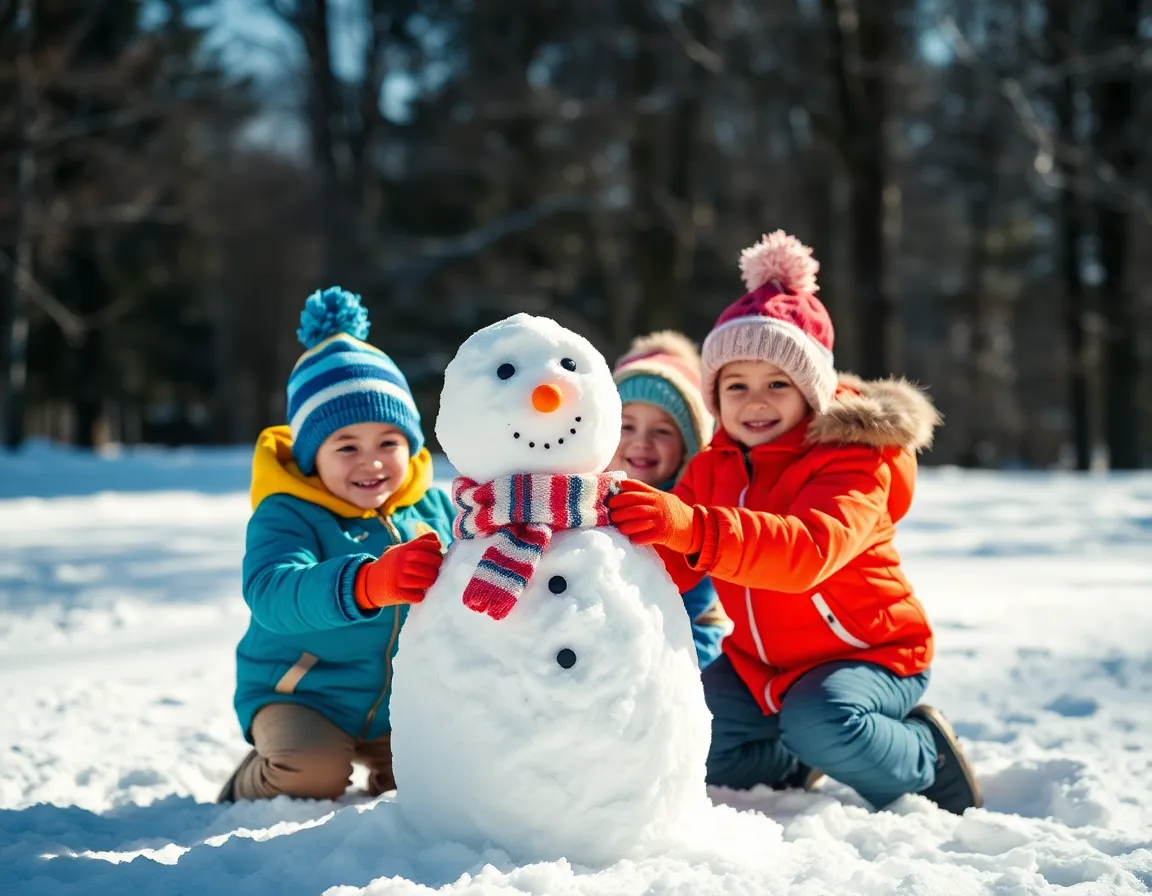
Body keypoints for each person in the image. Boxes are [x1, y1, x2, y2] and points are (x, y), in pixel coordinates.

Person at [607, 231, 981, 814]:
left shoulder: (856, 459)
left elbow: (808, 553)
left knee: (825, 721)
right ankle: (798, 758)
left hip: (870, 653)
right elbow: (669, 567)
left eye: (777, 384)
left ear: (811, 391)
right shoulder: (713, 466)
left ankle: (925, 758)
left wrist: (692, 526)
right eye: (737, 386)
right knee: (690, 732)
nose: (755, 402)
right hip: (763, 663)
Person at [217, 286, 455, 803]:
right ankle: (250, 779)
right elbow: (272, 591)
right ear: (311, 456)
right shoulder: (287, 513)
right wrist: (367, 583)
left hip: (403, 702)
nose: (370, 462)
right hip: (303, 695)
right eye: (346, 446)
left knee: (440, 780)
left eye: (388, 443)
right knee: (310, 775)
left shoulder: (433, 509)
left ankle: (391, 770)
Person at [609, 331, 729, 668]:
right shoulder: (580, 501)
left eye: (662, 431)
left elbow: (692, 617)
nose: (641, 442)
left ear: (689, 448)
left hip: (682, 657)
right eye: (627, 426)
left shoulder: (692, 518)